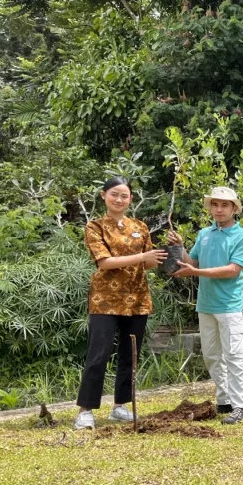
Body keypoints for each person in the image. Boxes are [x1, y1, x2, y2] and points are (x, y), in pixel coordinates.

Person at [74, 178, 169, 429]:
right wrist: (141, 256)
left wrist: (169, 251)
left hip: (137, 299)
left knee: (130, 355)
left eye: (124, 196)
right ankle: (86, 409)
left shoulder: (140, 226)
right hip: (105, 300)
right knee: (99, 354)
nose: (119, 200)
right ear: (104, 195)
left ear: (131, 200)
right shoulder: (94, 226)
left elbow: (149, 263)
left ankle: (120, 406)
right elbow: (104, 262)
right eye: (114, 194)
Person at [167, 186, 243, 425]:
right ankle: (224, 398)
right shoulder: (204, 234)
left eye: (224, 205)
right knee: (211, 355)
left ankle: (241, 406)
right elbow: (192, 260)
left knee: (235, 354)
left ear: (234, 208)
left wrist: (195, 272)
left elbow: (232, 270)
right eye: (215, 204)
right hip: (205, 304)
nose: (218, 209)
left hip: (229, 306)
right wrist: (181, 247)